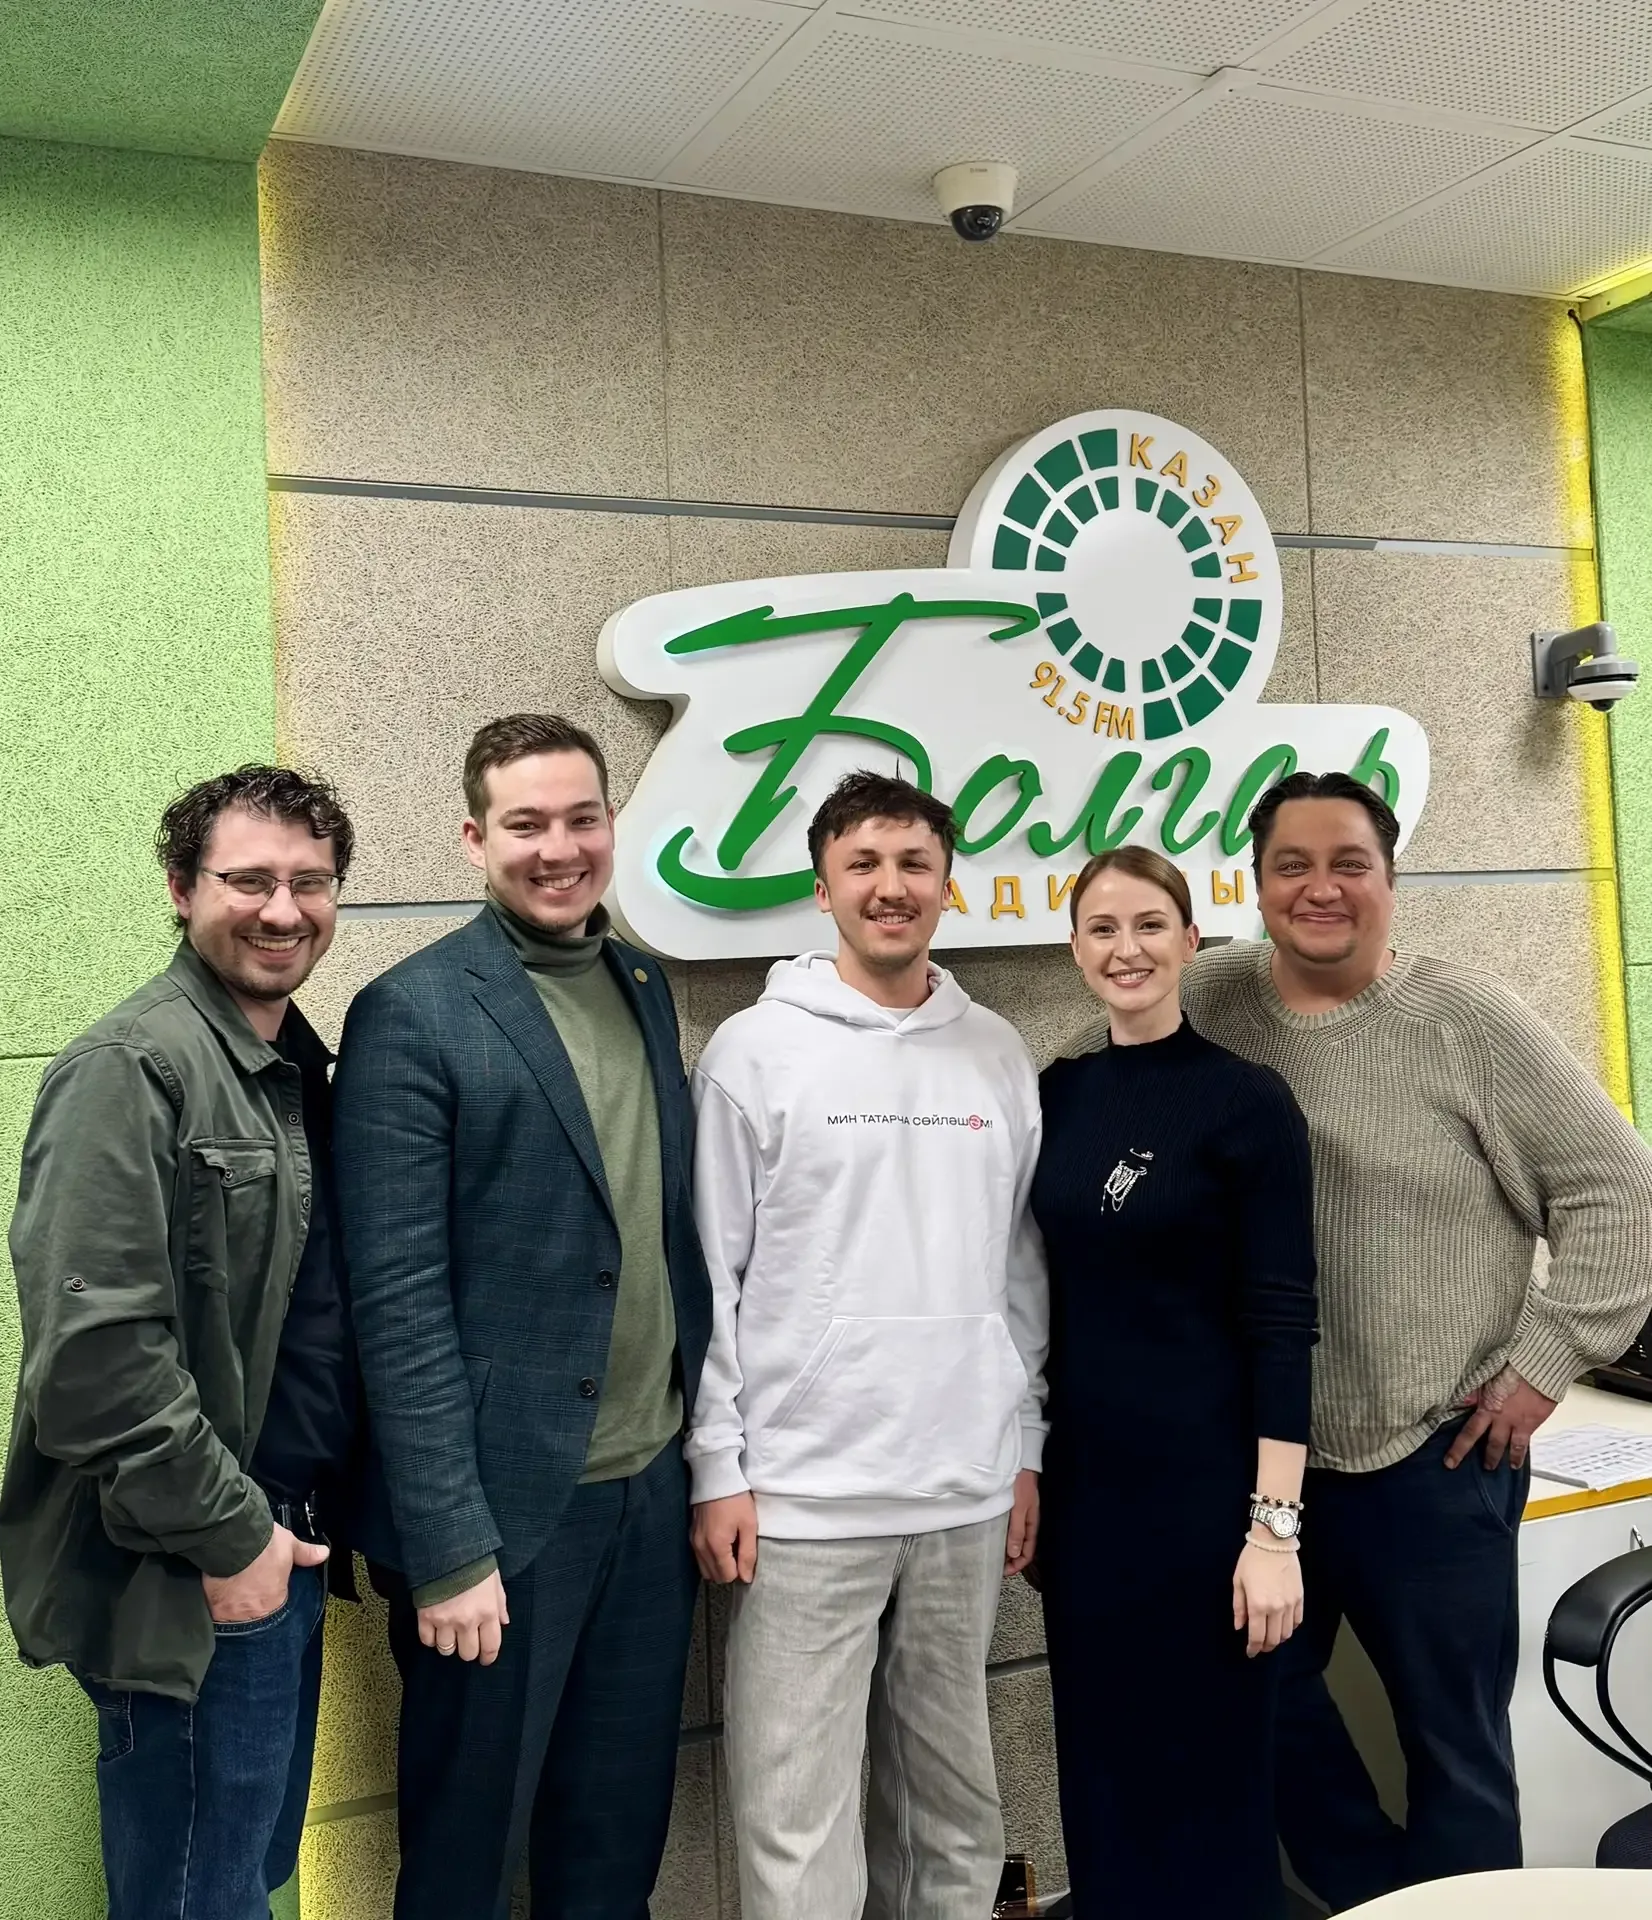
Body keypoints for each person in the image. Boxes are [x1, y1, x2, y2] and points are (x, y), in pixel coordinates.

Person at [1163, 769, 1652, 1908]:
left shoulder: (1464, 1020)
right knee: (1258, 1707)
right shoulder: (1212, 992)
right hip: (1267, 1460)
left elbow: (1621, 1192)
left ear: (1390, 879)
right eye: (1291, 865)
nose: (1319, 888)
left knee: (1453, 1751)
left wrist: (1541, 1366)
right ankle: (1373, 1893)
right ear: (1255, 883)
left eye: (1350, 864)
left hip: (1433, 1459)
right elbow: (1107, 1085)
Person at [332, 712, 712, 1920]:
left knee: (612, 1850)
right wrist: (448, 1547)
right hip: (498, 1526)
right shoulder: (412, 1012)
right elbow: (394, 1302)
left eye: (581, 818)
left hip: (647, 1497)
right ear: (473, 839)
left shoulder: (640, 984)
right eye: (526, 824)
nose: (559, 848)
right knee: (468, 1862)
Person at [688, 768, 1049, 1920]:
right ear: (822, 886)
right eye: (863, 864)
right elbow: (712, 1275)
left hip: (962, 1492)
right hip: (799, 1499)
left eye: (913, 864)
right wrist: (716, 1466)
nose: (889, 887)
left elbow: (1015, 1267)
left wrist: (1022, 1445)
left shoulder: (995, 1052)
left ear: (946, 884)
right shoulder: (752, 1052)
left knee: (952, 1812)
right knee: (796, 1819)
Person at [0, 766, 358, 1920]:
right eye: (248, 880)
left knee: (238, 1880)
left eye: (310, 883)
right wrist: (231, 1540)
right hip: (195, 1563)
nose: (282, 910)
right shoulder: (132, 1068)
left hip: (279, 1543)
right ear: (179, 887)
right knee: (199, 1899)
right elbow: (94, 1363)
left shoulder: (292, 1070)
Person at [1033, 845, 1318, 1920]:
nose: (1127, 949)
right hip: (1086, 1507)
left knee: (1211, 1789)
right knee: (1103, 1782)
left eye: (1150, 925)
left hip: (1209, 1509)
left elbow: (1282, 1327)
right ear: (1074, 950)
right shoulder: (1056, 1096)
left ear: (1191, 940)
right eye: (1102, 928)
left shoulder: (1246, 1104)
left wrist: (1273, 1533)